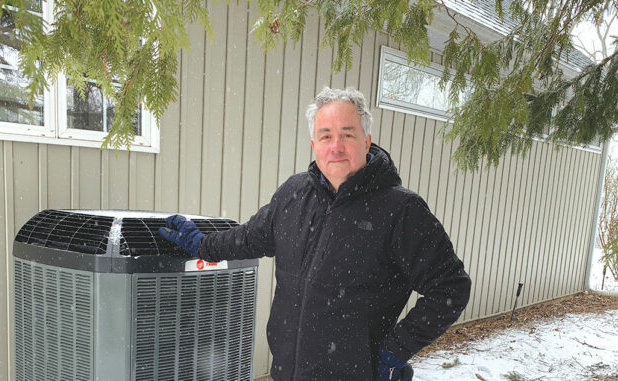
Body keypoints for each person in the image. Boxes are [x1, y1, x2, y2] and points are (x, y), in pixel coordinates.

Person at [159, 87, 471, 381]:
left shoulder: (401, 209)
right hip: (288, 370)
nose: (336, 146)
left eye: (347, 134)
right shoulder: (294, 194)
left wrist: (394, 351)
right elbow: (250, 238)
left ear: (366, 141)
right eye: (326, 136)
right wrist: (201, 245)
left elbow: (450, 287)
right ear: (314, 145)